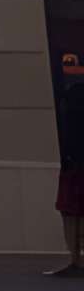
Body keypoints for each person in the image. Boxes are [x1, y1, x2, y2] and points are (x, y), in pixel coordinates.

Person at [55, 75, 84, 277]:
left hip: (72, 168)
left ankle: (76, 259)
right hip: (73, 168)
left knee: (71, 213)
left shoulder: (68, 108)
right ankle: (76, 259)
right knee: (72, 212)